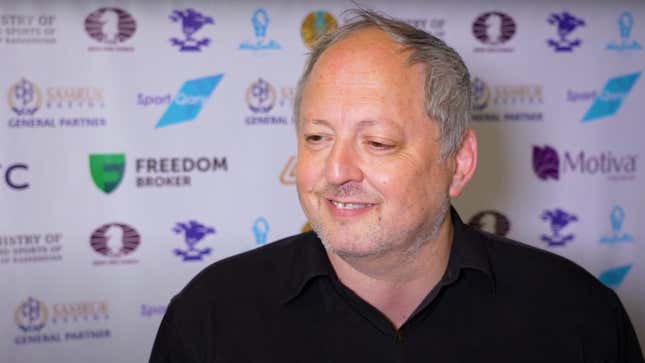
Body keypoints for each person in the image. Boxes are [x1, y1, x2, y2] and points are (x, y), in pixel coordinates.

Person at [149, 9, 643, 362]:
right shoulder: (211, 316)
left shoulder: (575, 317)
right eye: (317, 137)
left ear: (459, 161)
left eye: (379, 143)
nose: (336, 170)